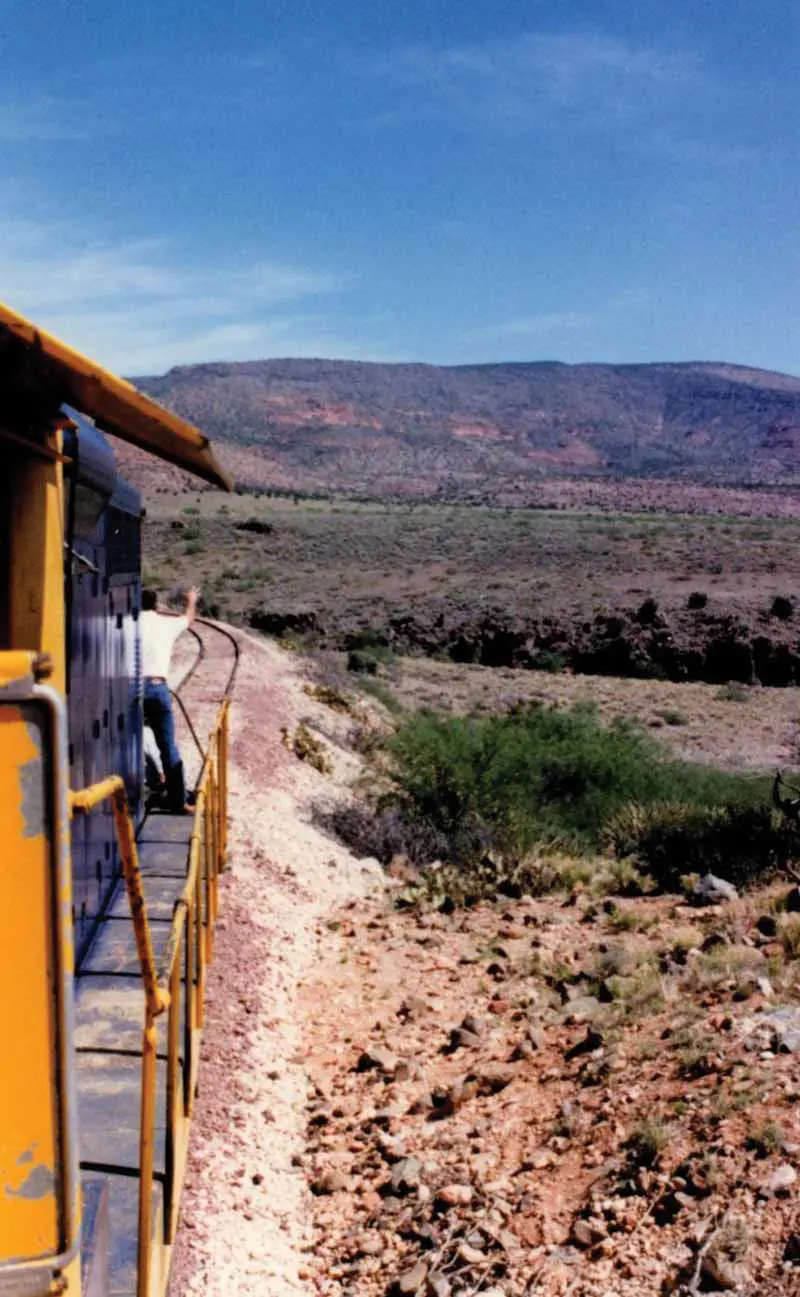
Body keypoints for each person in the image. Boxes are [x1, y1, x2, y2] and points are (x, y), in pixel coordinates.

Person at [140, 586, 199, 812]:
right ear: (156, 606)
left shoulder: (127, 623)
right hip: (158, 687)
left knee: (127, 740)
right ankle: (178, 799)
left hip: (132, 689)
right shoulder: (165, 624)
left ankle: (132, 794)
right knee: (168, 745)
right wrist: (191, 599)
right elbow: (189, 618)